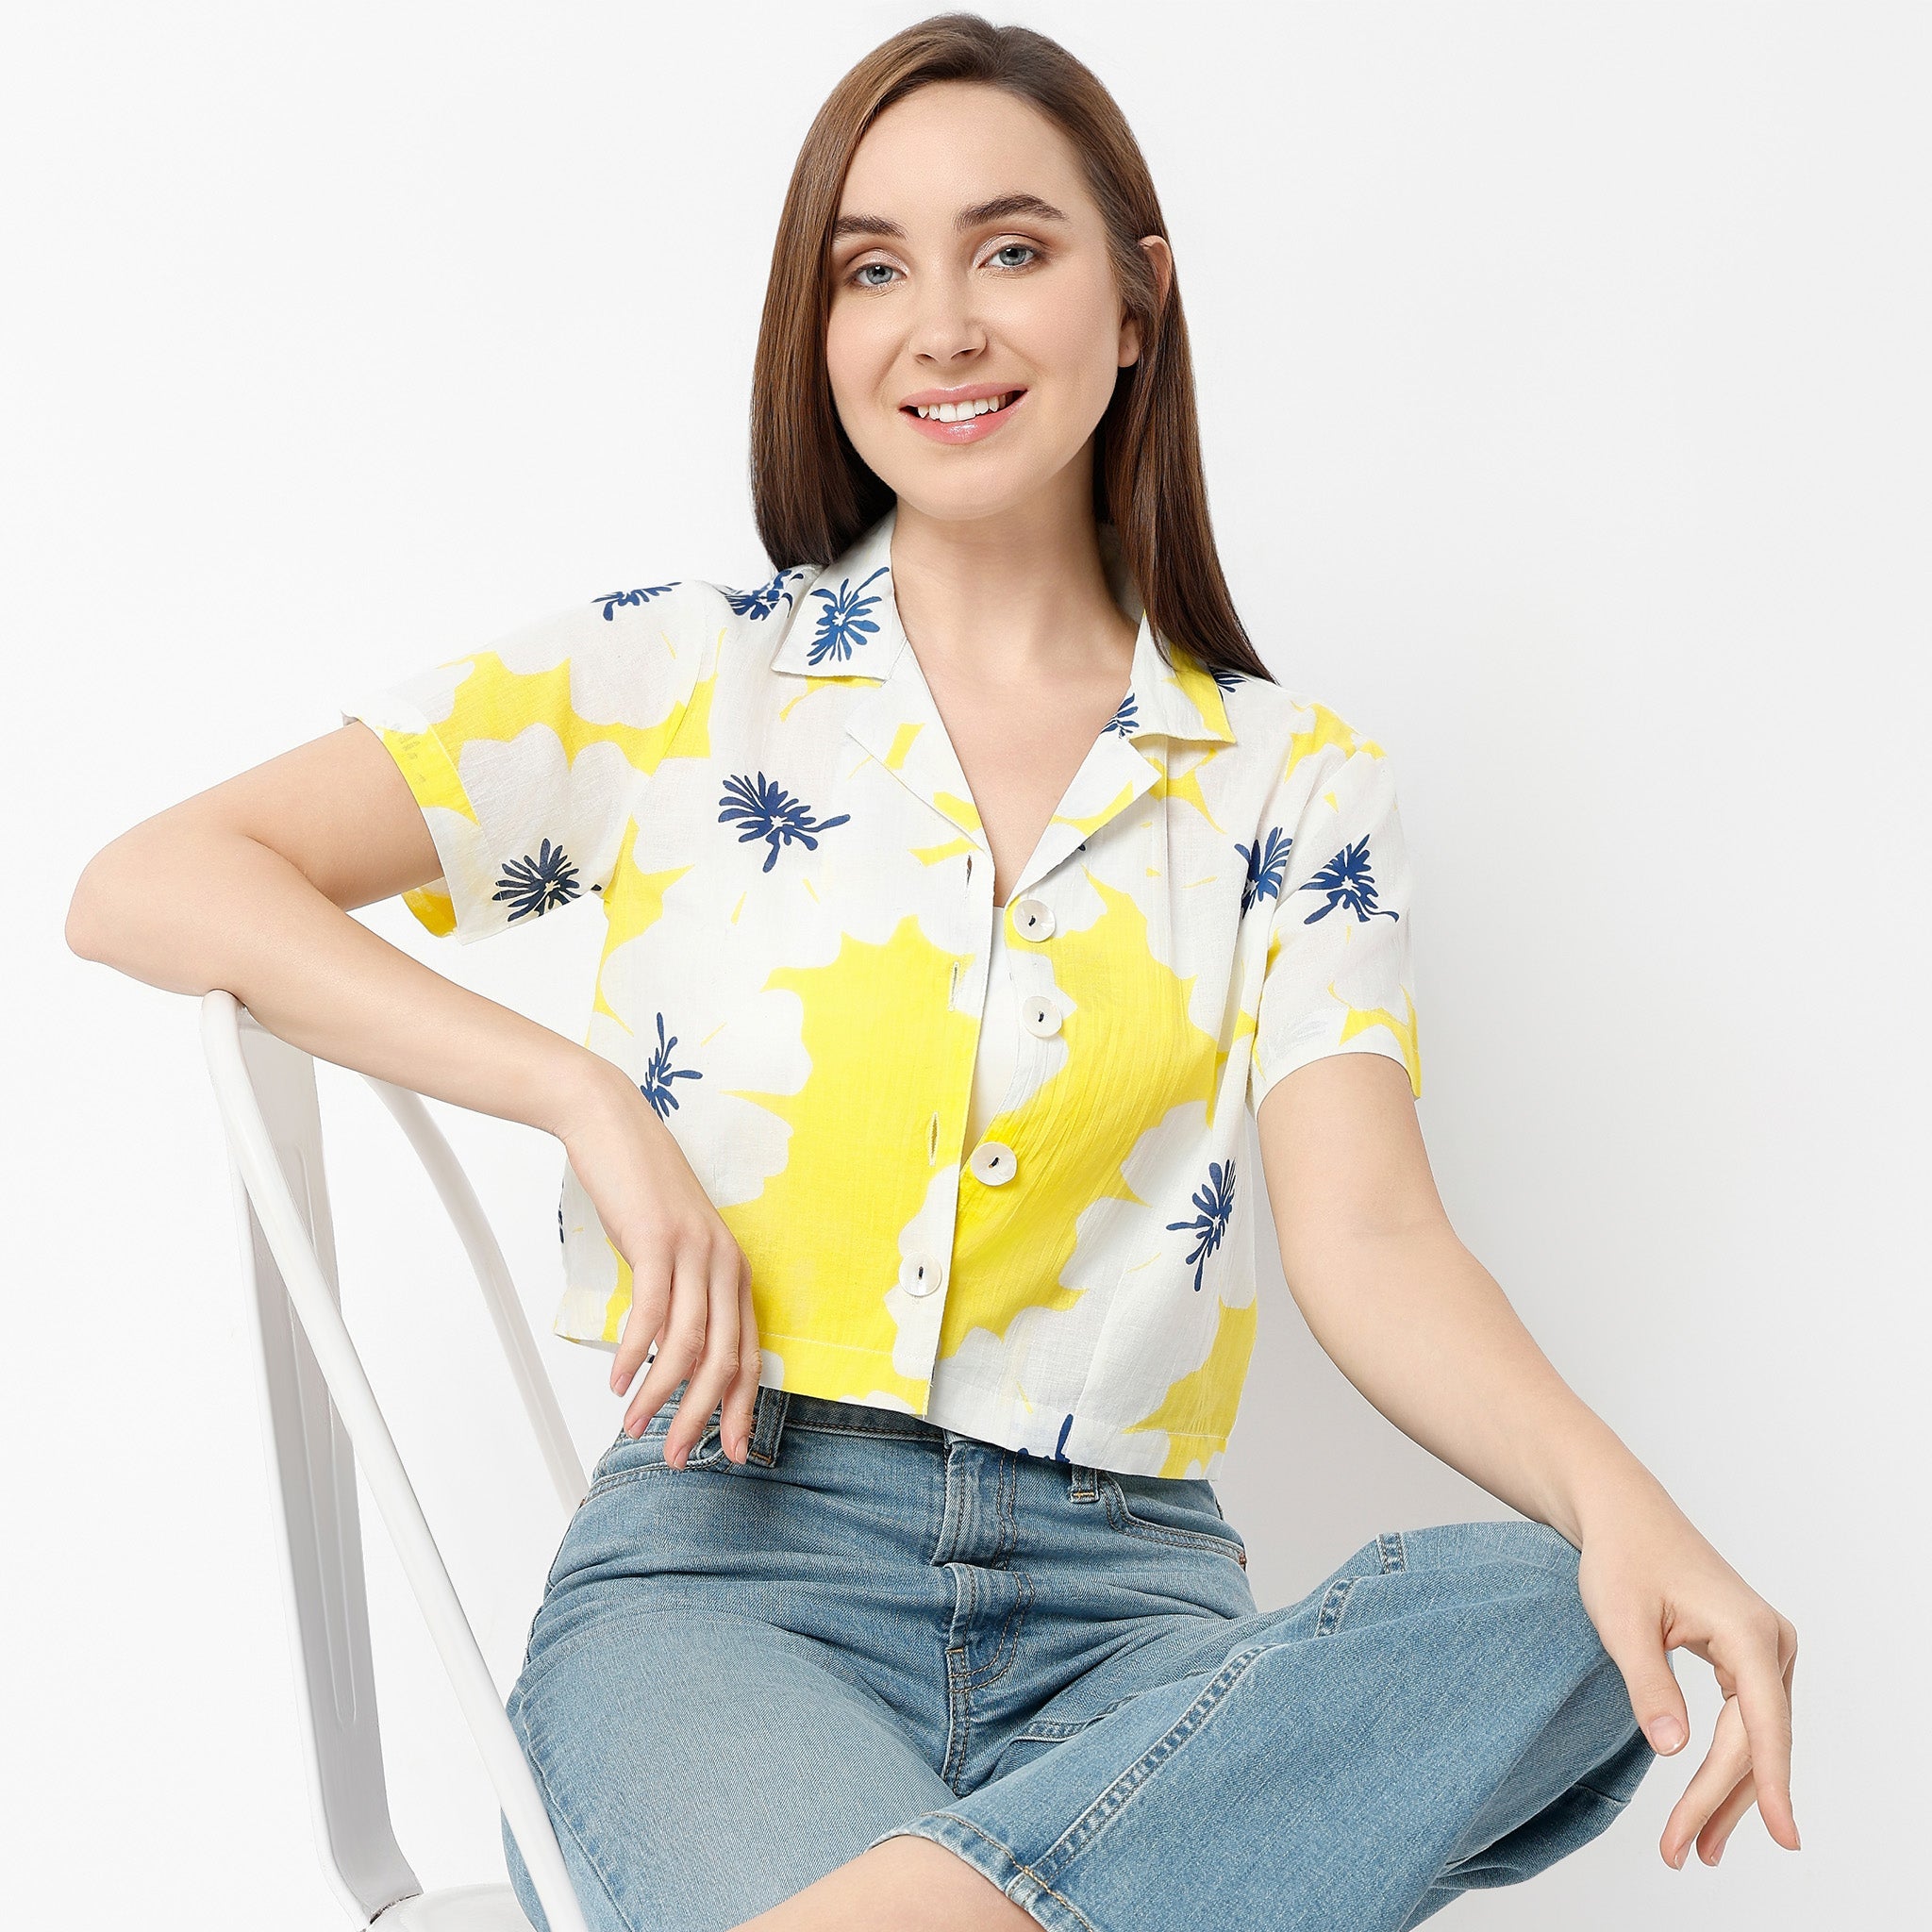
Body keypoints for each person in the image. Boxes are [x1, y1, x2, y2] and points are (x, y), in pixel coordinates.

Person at [66, 13, 1800, 1932]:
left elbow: (1372, 1240)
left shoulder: (1291, 783)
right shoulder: (671, 680)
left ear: (1135, 302)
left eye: (1012, 250)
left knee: (1566, 1613)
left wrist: (1633, 1512)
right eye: (872, 270)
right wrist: (581, 1095)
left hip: (1134, 1624)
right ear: (818, 333)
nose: (942, 326)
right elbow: (159, 880)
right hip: (727, 1579)